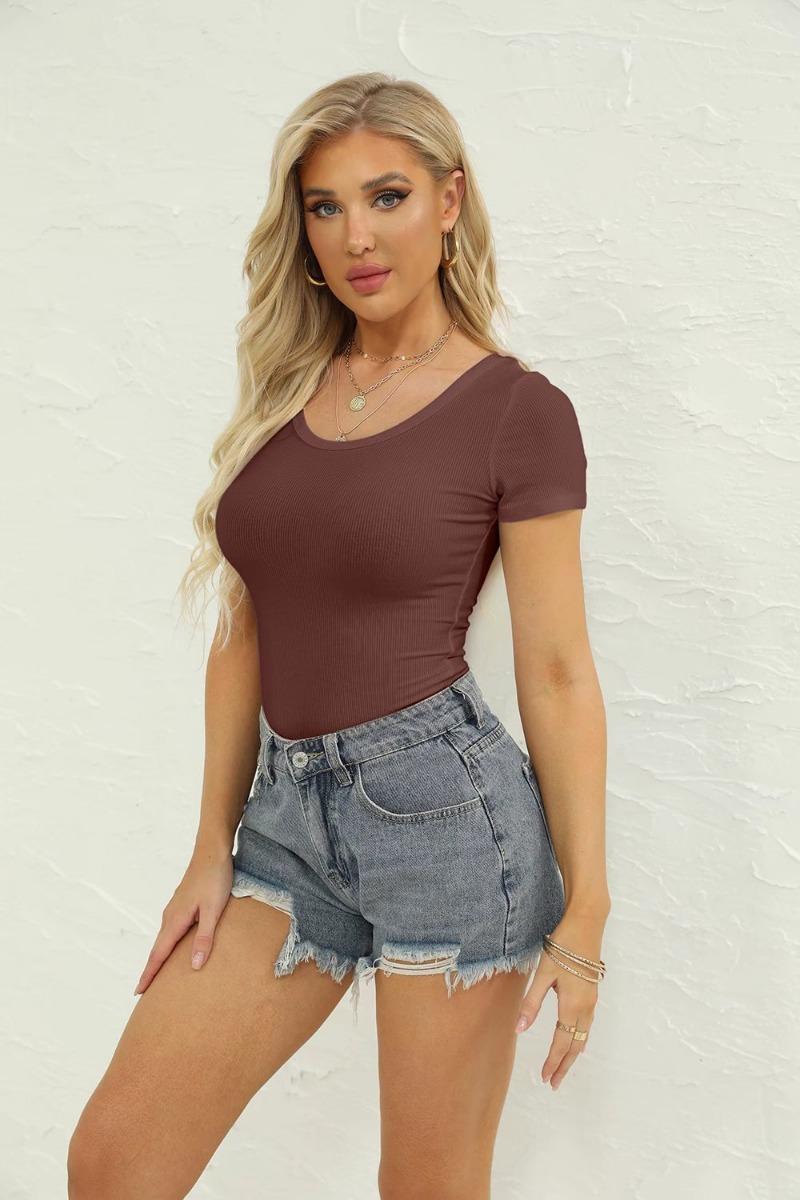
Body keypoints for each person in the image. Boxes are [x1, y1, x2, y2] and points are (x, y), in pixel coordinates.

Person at [67, 71, 610, 1200]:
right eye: (325, 206)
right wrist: (208, 845)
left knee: (423, 1189)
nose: (356, 235)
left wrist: (587, 911)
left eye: (387, 196)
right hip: (284, 822)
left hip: (449, 826)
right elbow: (245, 628)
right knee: (114, 1162)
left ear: (449, 202)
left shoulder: (517, 411)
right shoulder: (287, 391)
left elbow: (557, 671)